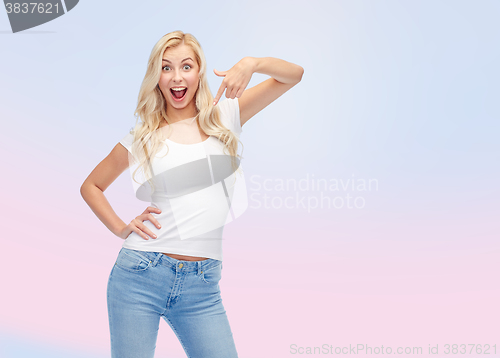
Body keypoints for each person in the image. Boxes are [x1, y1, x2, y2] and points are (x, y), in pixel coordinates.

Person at [80, 30, 303, 358]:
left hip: (203, 287)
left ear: (199, 72)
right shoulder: (143, 136)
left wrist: (252, 64)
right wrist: (120, 227)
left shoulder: (226, 116)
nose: (176, 76)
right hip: (142, 273)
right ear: (156, 77)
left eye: (186, 66)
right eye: (166, 68)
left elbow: (293, 75)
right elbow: (91, 186)